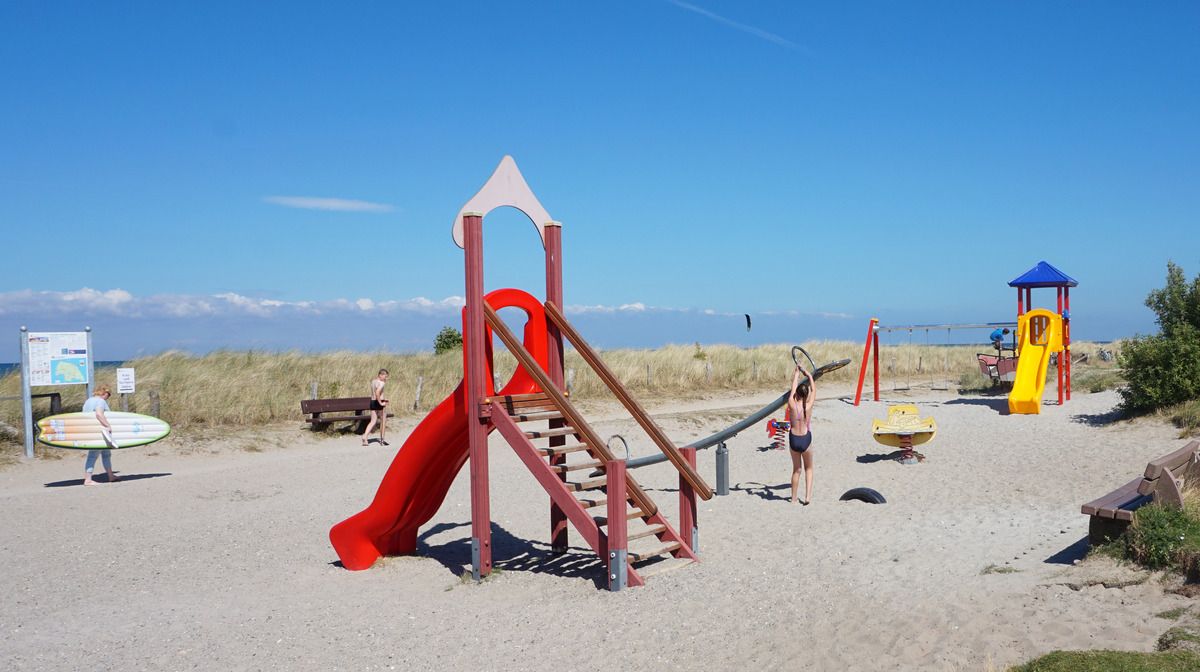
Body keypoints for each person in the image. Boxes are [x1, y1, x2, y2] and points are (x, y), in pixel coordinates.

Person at [787, 366, 815, 505]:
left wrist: (797, 374)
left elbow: (793, 388)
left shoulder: (791, 404)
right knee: (809, 468)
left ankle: (793, 499)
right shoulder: (809, 405)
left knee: (796, 470)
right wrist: (809, 375)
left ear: (797, 394)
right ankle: (807, 497)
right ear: (806, 395)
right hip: (805, 439)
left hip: (794, 439)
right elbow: (814, 390)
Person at [82, 385, 119, 486]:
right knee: (93, 455)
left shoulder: (88, 401)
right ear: (104, 393)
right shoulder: (100, 401)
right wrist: (108, 425)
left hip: (91, 430)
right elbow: (99, 414)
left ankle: (111, 476)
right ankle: (88, 479)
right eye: (109, 394)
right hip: (100, 431)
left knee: (106, 454)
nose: (108, 397)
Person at [362, 369, 390, 446]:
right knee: (383, 421)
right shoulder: (382, 383)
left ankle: (365, 437)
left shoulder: (373, 381)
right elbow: (378, 393)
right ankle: (382, 440)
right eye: (385, 376)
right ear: (380, 375)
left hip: (372, 401)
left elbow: (376, 393)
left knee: (373, 421)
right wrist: (381, 403)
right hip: (379, 402)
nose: (386, 379)